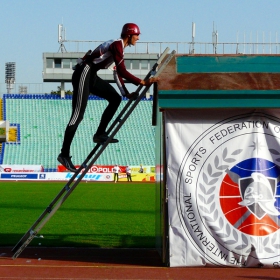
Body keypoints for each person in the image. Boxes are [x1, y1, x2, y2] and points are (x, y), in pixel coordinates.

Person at [57, 23, 159, 172]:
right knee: (77, 116)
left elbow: (117, 73)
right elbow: (123, 71)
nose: (138, 38)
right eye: (137, 35)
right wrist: (142, 82)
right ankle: (64, 154)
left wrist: (126, 94)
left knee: (116, 99)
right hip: (84, 72)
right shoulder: (117, 45)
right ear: (129, 35)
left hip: (91, 75)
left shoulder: (119, 49)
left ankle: (99, 133)